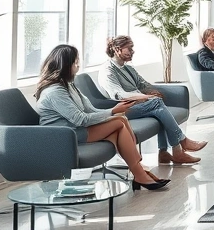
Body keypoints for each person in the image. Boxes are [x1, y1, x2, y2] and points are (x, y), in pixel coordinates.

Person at [34, 44, 169, 191]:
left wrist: (115, 110)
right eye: (75, 62)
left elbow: (90, 110)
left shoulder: (68, 85)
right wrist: (112, 112)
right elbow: (81, 119)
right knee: (119, 121)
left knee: (120, 122)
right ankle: (140, 171)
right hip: (64, 135)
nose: (78, 65)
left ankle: (139, 172)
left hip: (75, 129)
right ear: (66, 65)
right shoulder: (55, 91)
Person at [99, 35, 206, 165]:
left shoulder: (127, 67)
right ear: (117, 49)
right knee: (156, 103)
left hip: (138, 104)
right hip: (122, 109)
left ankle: (165, 153)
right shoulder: (108, 70)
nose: (133, 51)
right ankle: (181, 144)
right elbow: (120, 95)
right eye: (129, 48)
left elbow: (142, 84)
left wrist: (152, 91)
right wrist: (146, 97)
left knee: (159, 110)